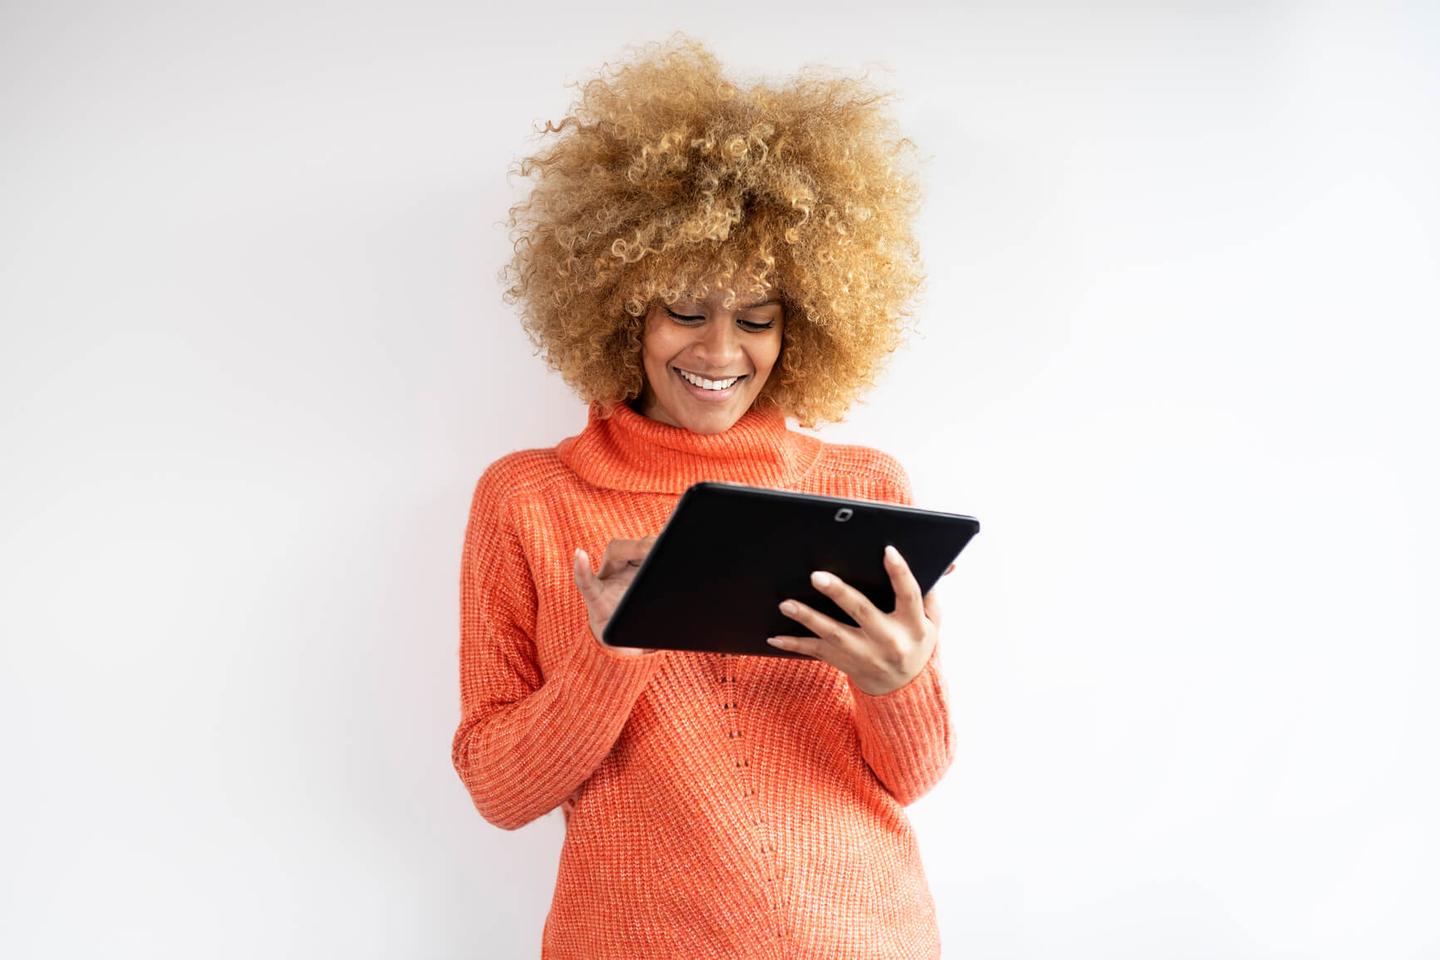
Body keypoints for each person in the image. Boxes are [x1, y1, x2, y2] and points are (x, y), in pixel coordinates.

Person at [451, 33, 957, 959]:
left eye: (756, 318)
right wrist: (615, 651)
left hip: (865, 937)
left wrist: (899, 683)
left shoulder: (861, 486)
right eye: (685, 310)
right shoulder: (530, 497)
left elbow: (910, 776)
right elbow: (500, 791)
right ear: (620, 307)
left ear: (801, 323)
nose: (721, 354)